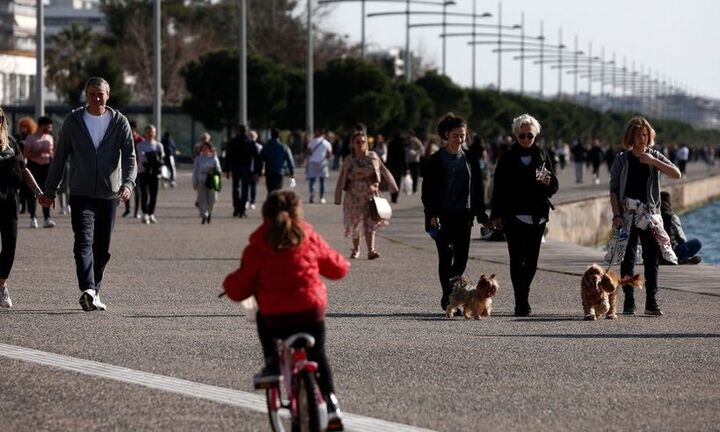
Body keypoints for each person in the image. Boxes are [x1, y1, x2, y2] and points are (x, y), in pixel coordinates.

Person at [222, 190, 349, 431]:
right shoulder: (308, 234)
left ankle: (271, 363)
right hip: (311, 312)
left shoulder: (259, 242)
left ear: (265, 214)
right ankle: (332, 405)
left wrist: (228, 284)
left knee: (262, 316)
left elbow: (240, 288)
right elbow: (338, 269)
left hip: (275, 317)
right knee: (318, 355)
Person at [40, 76, 137, 312]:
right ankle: (87, 288)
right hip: (81, 192)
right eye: (91, 93)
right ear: (86, 95)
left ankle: (95, 291)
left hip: (109, 194)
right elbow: (60, 157)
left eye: (100, 94)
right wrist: (50, 190)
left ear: (108, 94)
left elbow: (131, 157)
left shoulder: (119, 122)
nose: (96, 98)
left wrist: (128, 184)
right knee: (83, 241)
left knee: (103, 248)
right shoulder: (73, 121)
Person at [609, 116, 681, 316]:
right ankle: (629, 301)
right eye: (639, 134)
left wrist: (654, 161)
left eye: (646, 134)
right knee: (628, 257)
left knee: (652, 257)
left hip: (650, 215)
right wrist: (616, 215)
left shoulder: (654, 155)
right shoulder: (621, 159)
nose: (643, 138)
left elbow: (677, 174)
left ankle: (651, 301)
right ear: (631, 137)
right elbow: (613, 190)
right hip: (627, 214)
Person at [490, 114, 559, 317]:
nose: (526, 140)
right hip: (514, 216)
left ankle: (523, 294)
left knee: (531, 262)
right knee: (516, 259)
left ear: (535, 135)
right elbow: (498, 188)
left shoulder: (543, 156)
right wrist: (496, 215)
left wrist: (548, 183)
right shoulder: (507, 157)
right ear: (515, 135)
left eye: (530, 135)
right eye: (522, 136)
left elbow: (554, 186)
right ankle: (521, 301)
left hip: (537, 215)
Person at [422, 113, 488, 313]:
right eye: (456, 136)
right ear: (446, 135)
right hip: (442, 216)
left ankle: (450, 294)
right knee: (446, 256)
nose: (460, 139)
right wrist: (432, 213)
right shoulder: (436, 160)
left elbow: (478, 187)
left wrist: (480, 213)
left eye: (463, 136)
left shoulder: (470, 158)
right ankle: (450, 296)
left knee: (460, 259)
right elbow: (428, 191)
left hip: (464, 215)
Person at [0, 107, 46, 308]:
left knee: (10, 247)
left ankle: (1, 285)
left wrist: (38, 192)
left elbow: (24, 170)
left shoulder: (12, 143)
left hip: (10, 201)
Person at [334, 131, 398, 260]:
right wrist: (338, 195)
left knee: (370, 222)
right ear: (352, 144)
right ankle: (356, 250)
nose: (361, 144)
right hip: (353, 196)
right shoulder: (349, 159)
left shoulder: (372, 156)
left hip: (370, 195)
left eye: (363, 142)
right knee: (355, 223)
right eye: (358, 142)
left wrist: (392, 186)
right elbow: (343, 177)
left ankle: (371, 250)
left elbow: (383, 171)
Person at [23, 116, 55, 228]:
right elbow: (26, 154)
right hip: (34, 166)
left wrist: (50, 152)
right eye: (48, 127)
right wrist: (37, 153)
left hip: (47, 166)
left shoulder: (49, 138)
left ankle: (47, 218)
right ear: (42, 126)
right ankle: (33, 217)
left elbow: (52, 154)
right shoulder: (31, 138)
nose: (50, 129)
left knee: (46, 192)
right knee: (33, 192)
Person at [224, 125, 258, 217]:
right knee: (245, 188)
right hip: (246, 168)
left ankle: (236, 208)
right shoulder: (250, 143)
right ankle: (242, 209)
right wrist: (256, 171)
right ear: (246, 131)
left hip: (235, 167)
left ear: (238, 131)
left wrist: (227, 169)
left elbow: (228, 156)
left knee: (235, 188)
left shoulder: (233, 141)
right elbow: (256, 157)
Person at [660, 191, 702, 265]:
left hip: (656, 253)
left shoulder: (653, 216)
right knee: (697, 243)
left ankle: (681, 259)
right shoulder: (672, 216)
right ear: (669, 202)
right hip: (671, 250)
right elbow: (681, 238)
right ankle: (682, 259)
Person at [136, 124, 165, 224]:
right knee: (144, 194)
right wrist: (151, 158)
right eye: (148, 132)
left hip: (155, 173)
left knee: (153, 194)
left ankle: (151, 213)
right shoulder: (140, 145)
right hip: (144, 172)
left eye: (152, 132)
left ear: (155, 133)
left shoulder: (158, 145)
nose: (150, 134)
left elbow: (162, 158)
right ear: (145, 133)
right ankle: (144, 213)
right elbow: (142, 157)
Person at [257, 128, 295, 194]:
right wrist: (292, 174)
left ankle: (270, 203)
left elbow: (260, 160)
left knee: (270, 191)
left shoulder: (266, 147)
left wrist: (259, 172)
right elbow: (290, 161)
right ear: (278, 136)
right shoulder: (284, 147)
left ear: (271, 135)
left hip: (269, 172)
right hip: (279, 172)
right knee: (278, 191)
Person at [192, 140, 222, 224]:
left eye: (207, 148)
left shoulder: (213, 158)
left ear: (210, 149)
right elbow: (195, 171)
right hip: (201, 180)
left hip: (211, 181)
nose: (205, 150)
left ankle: (209, 213)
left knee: (212, 199)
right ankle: (204, 215)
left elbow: (219, 170)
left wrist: (213, 170)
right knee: (202, 199)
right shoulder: (198, 159)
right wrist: (194, 182)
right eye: (203, 148)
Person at [122, 120, 144, 219]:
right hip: (126, 167)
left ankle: (136, 211)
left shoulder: (139, 140)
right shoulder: (124, 138)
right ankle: (127, 210)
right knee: (125, 188)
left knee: (137, 190)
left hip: (138, 168)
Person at [305, 128, 332, 204]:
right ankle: (322, 197)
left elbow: (308, 151)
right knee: (322, 181)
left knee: (312, 180)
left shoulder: (312, 141)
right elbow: (329, 154)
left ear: (318, 133)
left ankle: (312, 194)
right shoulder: (327, 143)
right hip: (323, 163)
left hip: (313, 162)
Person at [406, 130, 425, 194]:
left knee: (415, 175)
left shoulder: (416, 140)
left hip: (416, 160)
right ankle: (410, 189)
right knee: (410, 175)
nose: (408, 136)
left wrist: (416, 152)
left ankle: (414, 189)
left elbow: (422, 148)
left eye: (409, 135)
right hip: (410, 160)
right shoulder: (408, 141)